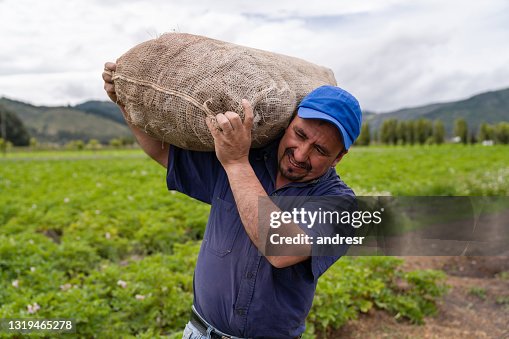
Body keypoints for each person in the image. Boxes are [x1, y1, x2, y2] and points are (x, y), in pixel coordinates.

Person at [103, 62, 362, 338]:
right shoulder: (246, 156)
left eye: (320, 150)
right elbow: (163, 151)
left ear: (339, 157)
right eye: (299, 135)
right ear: (288, 123)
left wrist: (237, 164)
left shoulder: (342, 205)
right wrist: (125, 101)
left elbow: (282, 250)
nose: (300, 154)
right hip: (200, 332)